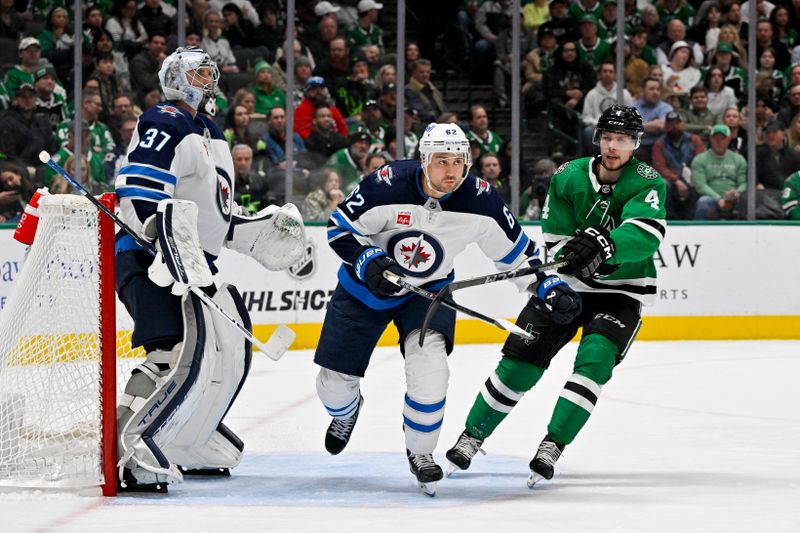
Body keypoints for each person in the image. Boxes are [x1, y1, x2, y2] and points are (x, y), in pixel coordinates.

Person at [314, 122, 543, 495]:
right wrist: (367, 258)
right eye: (441, 161)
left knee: (431, 371)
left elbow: (518, 255)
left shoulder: (481, 199)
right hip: (362, 291)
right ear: (423, 159)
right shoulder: (386, 183)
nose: (451, 171)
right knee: (333, 385)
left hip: (429, 294)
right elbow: (339, 228)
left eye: (459, 161)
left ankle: (421, 453)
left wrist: (547, 283)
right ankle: (345, 411)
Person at [444, 105, 667, 488]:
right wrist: (576, 257)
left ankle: (553, 444)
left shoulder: (648, 181)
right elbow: (558, 241)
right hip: (567, 285)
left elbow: (646, 234)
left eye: (624, 140)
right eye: (609, 138)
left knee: (594, 361)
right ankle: (472, 435)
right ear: (598, 138)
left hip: (622, 291)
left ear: (635, 144)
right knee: (520, 363)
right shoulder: (569, 176)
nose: (614, 147)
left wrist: (605, 248)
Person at [113, 47, 304, 493]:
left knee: (228, 346)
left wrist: (256, 232)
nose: (207, 81)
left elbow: (214, 215)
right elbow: (141, 189)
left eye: (209, 74)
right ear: (176, 78)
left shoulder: (212, 134)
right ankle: (126, 443)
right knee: (171, 354)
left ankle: (187, 438)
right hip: (151, 259)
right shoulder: (166, 118)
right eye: (198, 73)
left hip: (194, 265)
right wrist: (161, 242)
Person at [652, 111, 703, 219]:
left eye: (676, 123)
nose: (674, 127)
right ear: (665, 126)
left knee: (700, 183)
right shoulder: (659, 144)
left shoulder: (694, 139)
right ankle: (668, 218)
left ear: (682, 124)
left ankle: (693, 219)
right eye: (670, 124)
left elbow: (700, 162)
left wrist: (691, 178)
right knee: (663, 185)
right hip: (670, 179)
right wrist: (676, 180)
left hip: (692, 176)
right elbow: (660, 167)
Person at [691, 124, 747, 219]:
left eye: (722, 138)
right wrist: (718, 199)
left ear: (729, 139)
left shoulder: (739, 159)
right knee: (703, 202)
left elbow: (744, 182)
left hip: (733, 198)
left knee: (746, 201)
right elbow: (700, 185)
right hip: (711, 198)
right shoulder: (699, 160)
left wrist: (737, 192)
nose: (719, 141)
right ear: (711, 139)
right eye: (715, 138)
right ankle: (699, 232)